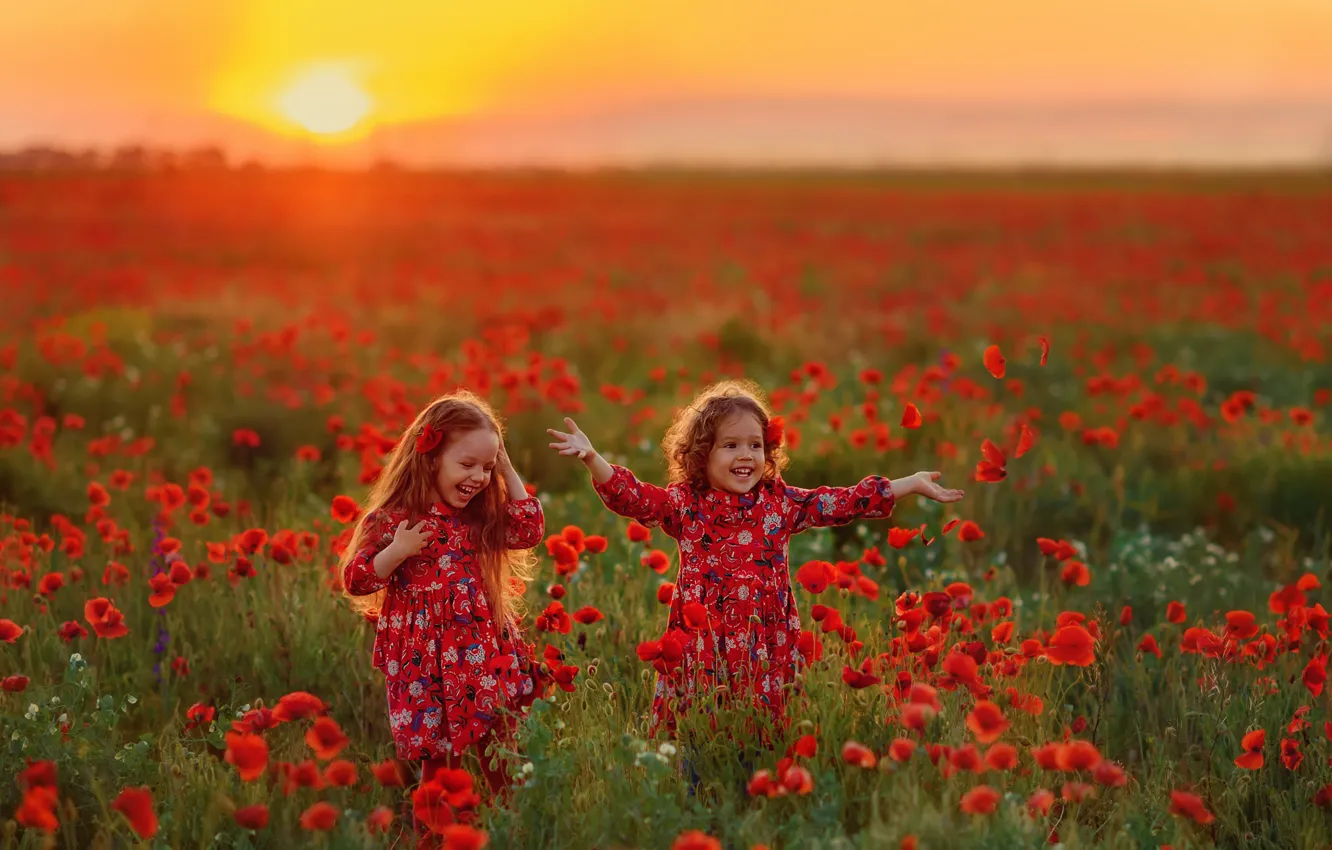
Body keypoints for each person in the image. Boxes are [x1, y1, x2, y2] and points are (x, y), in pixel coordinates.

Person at [548, 379, 964, 742]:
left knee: (765, 727)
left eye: (755, 445)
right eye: (730, 446)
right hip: (704, 643)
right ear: (700, 455)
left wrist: (908, 483)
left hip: (767, 639)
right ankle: (698, 785)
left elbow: (838, 502)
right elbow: (634, 497)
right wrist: (592, 459)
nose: (745, 455)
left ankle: (757, 785)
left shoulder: (778, 503)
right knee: (698, 725)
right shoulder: (686, 506)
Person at [342, 391, 545, 797]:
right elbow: (357, 579)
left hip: (481, 652)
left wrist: (505, 469)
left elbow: (528, 528)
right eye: (466, 464)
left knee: (501, 749)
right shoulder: (393, 520)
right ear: (430, 457)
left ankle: (516, 830)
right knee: (439, 763)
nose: (478, 477)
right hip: (425, 662)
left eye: (487, 467)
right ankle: (436, 836)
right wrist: (396, 552)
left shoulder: (477, 518)